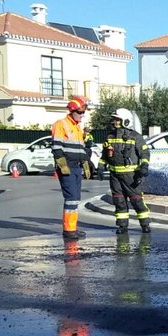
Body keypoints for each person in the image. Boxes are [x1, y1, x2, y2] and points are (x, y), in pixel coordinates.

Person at [100, 107, 151, 234]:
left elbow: (145, 153)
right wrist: (101, 166)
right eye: (114, 119)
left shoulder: (135, 137)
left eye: (117, 119)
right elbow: (104, 155)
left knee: (136, 200)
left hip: (131, 176)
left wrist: (144, 167)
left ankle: (145, 224)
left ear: (125, 121)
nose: (114, 122)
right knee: (119, 201)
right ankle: (122, 226)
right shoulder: (110, 137)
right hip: (115, 176)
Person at [51, 96, 93, 239]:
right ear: (73, 111)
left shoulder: (78, 128)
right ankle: (69, 230)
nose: (82, 116)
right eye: (80, 113)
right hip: (67, 167)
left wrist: (86, 163)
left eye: (83, 113)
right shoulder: (61, 124)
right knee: (71, 198)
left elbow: (81, 150)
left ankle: (72, 228)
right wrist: (62, 165)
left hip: (76, 167)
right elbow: (57, 147)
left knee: (75, 198)